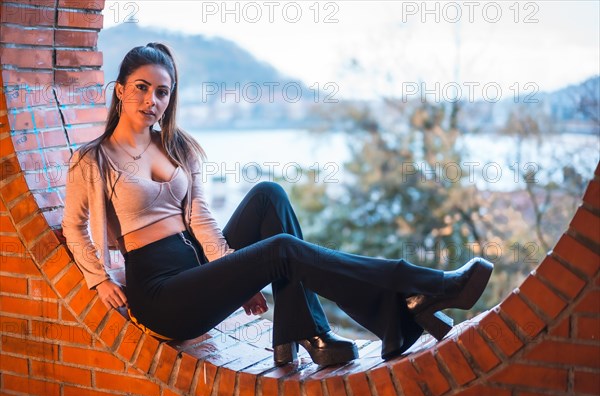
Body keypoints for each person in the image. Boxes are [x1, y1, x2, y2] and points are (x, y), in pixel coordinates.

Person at [62, 43, 493, 367]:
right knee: (282, 249)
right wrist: (98, 278)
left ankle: (303, 330)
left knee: (269, 194)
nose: (151, 101)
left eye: (162, 92)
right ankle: (421, 288)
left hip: (198, 270)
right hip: (162, 298)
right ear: (119, 90)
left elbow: (200, 218)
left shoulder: (178, 148)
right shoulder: (93, 160)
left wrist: (234, 270)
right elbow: (73, 226)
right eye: (141, 88)